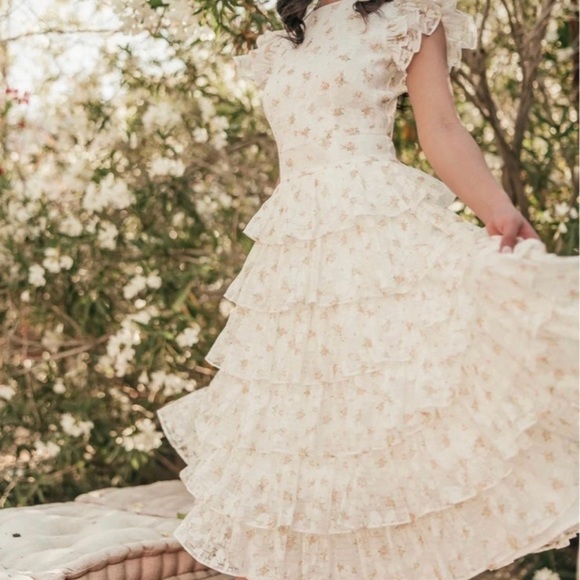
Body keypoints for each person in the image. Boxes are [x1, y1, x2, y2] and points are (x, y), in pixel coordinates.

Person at [157, 0, 580, 578]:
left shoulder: (405, 18)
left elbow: (440, 127)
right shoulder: (285, 43)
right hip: (299, 260)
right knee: (316, 445)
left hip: (378, 234)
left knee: (403, 424)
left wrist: (498, 211)